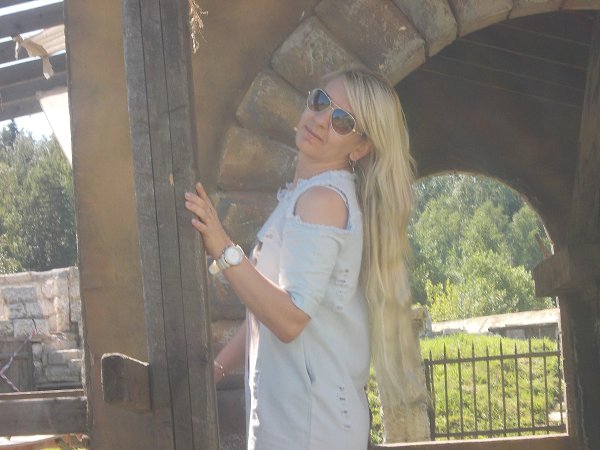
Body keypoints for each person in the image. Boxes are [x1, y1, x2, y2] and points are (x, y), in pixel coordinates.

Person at [184, 68, 422, 449]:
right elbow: (268, 306)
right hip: (294, 419)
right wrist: (219, 366)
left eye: (342, 122)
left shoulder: (323, 201)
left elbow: (290, 318)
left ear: (359, 148)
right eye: (320, 101)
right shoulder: (303, 196)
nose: (322, 120)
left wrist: (223, 248)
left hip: (312, 426)